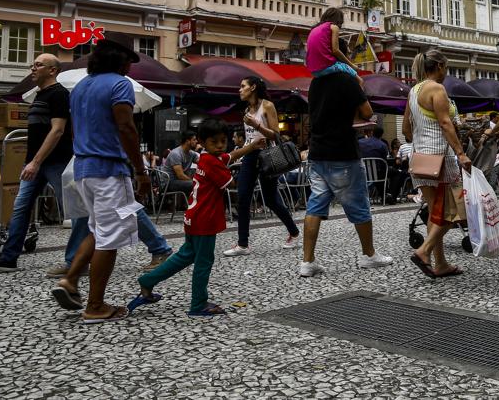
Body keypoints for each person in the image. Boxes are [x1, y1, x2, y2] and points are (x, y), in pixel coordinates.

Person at [51, 36, 151, 323]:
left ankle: (70, 281)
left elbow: (73, 131)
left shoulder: (80, 87)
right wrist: (141, 171)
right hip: (108, 169)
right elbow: (126, 127)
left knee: (97, 229)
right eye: (129, 63)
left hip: (83, 169)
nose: (130, 70)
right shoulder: (120, 85)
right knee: (109, 238)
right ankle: (95, 306)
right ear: (120, 61)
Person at [0, 54, 87, 273]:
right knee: (20, 209)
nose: (32, 68)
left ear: (52, 70)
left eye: (38, 65)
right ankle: (9, 258)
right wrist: (32, 161)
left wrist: (35, 162)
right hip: (34, 163)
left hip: (56, 163)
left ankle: (77, 261)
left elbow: (57, 131)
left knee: (75, 211)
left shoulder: (58, 94)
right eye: (32, 64)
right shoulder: (39, 95)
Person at [129, 118, 234, 317]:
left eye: (223, 141)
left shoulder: (203, 157)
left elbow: (228, 156)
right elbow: (230, 183)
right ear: (202, 142)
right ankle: (198, 304)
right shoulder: (212, 161)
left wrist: (251, 147)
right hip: (206, 221)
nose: (220, 145)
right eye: (215, 142)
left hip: (192, 218)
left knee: (185, 256)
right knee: (204, 261)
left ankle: (147, 281)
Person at [301, 58, 393, 277]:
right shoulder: (347, 80)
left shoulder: (315, 82)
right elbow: (368, 112)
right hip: (342, 152)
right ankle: (369, 255)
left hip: (317, 152)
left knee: (315, 205)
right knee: (358, 204)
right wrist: (359, 87)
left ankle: (307, 262)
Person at [404, 49, 472, 279]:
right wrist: (461, 153)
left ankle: (440, 263)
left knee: (436, 211)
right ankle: (423, 251)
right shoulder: (437, 88)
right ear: (440, 67)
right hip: (440, 158)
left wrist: (423, 133)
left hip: (420, 159)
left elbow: (406, 130)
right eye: (447, 67)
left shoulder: (414, 91)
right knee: (456, 212)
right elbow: (445, 123)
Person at [224, 76, 300, 255]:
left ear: (253, 87)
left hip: (267, 156)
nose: (239, 89)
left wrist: (257, 124)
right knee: (243, 197)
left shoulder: (267, 106)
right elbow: (250, 137)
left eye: (243, 86)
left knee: (271, 198)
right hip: (250, 155)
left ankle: (294, 232)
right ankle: (243, 244)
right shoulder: (246, 109)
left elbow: (276, 135)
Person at [306, 8, 361, 83]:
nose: (340, 26)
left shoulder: (314, 29)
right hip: (327, 66)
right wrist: (352, 65)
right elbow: (335, 50)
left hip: (313, 71)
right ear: (338, 20)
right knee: (360, 80)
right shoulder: (334, 27)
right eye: (341, 23)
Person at [164, 130, 198, 195]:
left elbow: (202, 163)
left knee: (199, 184)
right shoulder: (176, 153)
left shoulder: (192, 153)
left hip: (180, 181)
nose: (196, 142)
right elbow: (180, 176)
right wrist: (194, 181)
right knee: (195, 185)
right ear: (187, 141)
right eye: (194, 139)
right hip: (169, 182)